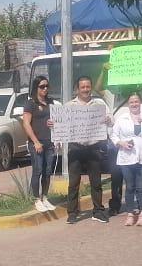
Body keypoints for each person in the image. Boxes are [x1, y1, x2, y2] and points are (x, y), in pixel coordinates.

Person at [64, 76, 111, 224]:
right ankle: (72, 212)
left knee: (96, 182)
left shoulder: (99, 104)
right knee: (73, 182)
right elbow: (60, 124)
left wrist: (108, 120)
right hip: (75, 148)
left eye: (88, 87)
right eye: (82, 87)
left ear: (91, 87)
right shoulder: (69, 106)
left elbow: (111, 120)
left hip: (94, 147)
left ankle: (98, 211)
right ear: (77, 89)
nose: (85, 89)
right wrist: (53, 124)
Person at [111, 93, 142, 226]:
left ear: (141, 103)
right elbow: (113, 135)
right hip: (126, 157)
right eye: (131, 102)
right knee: (129, 186)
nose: (134, 104)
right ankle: (130, 214)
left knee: (141, 186)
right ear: (128, 104)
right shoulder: (122, 118)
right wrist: (121, 143)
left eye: (136, 101)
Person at [21, 74, 57, 212]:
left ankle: (45, 197)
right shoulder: (31, 103)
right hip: (36, 143)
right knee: (38, 170)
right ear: (36, 87)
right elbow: (26, 124)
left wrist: (55, 130)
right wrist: (35, 142)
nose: (45, 89)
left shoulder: (51, 102)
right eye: (42, 86)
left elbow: (56, 119)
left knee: (47, 171)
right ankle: (36, 199)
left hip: (49, 142)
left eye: (47, 86)